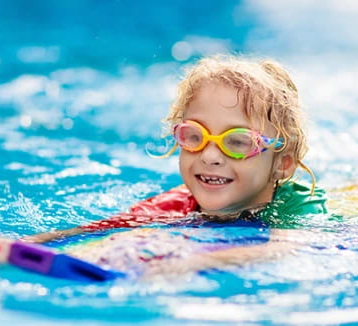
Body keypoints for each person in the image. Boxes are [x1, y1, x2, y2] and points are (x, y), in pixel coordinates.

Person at [24, 55, 328, 275]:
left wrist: (194, 263)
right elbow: (94, 230)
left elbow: (283, 250)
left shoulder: (299, 206)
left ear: (283, 165)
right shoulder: (177, 203)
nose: (210, 155)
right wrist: (28, 244)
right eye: (195, 136)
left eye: (237, 142)